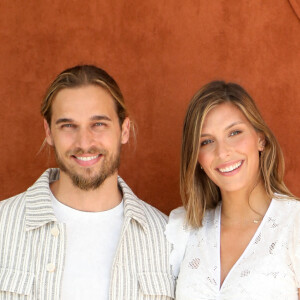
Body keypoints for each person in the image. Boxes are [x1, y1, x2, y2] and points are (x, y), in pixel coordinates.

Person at [0, 65, 174, 300]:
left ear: (124, 130)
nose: (84, 142)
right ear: (48, 132)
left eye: (99, 124)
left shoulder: (168, 238)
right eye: (68, 126)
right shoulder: (3, 225)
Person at [165, 81, 300, 299]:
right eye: (207, 141)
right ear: (197, 158)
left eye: (234, 132)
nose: (223, 152)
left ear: (260, 139)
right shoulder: (183, 229)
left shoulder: (294, 224)